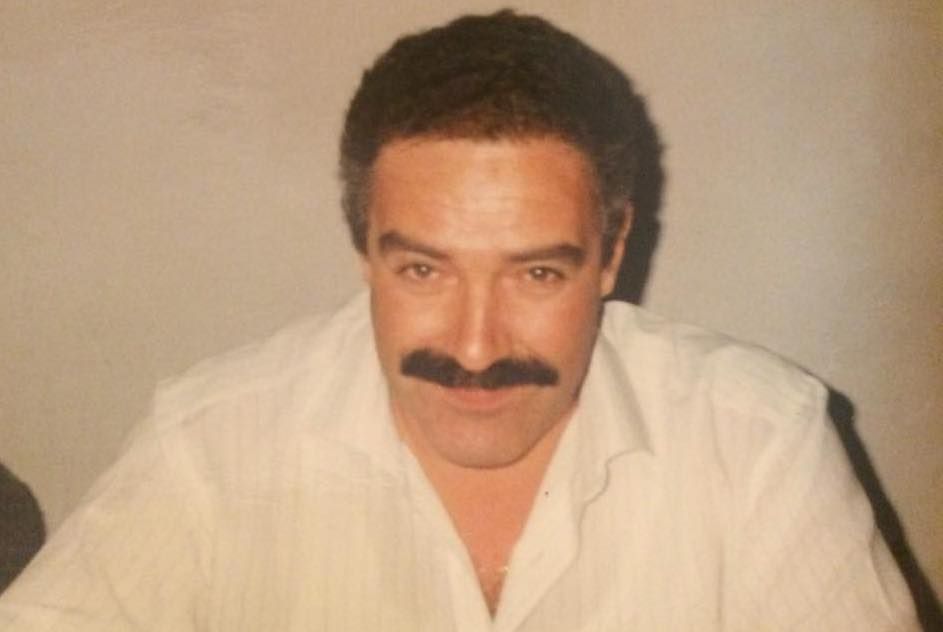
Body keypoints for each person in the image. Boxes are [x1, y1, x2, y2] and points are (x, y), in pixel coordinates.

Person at [0, 10, 918, 631]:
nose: (475, 347)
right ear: (363, 249)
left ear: (610, 253)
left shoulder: (759, 442)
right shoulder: (210, 443)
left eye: (537, 273)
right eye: (423, 270)